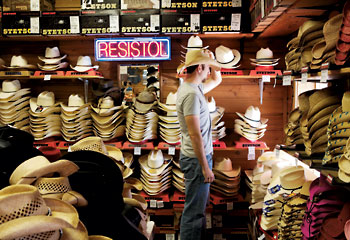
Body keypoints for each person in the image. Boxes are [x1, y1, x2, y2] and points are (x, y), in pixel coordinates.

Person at [176, 49, 222, 240]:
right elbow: (195, 135)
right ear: (200, 68)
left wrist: (212, 61)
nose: (209, 72)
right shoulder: (192, 95)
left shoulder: (194, 88)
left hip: (197, 158)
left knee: (197, 210)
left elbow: (218, 80)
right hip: (197, 160)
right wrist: (205, 167)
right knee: (194, 214)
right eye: (208, 68)